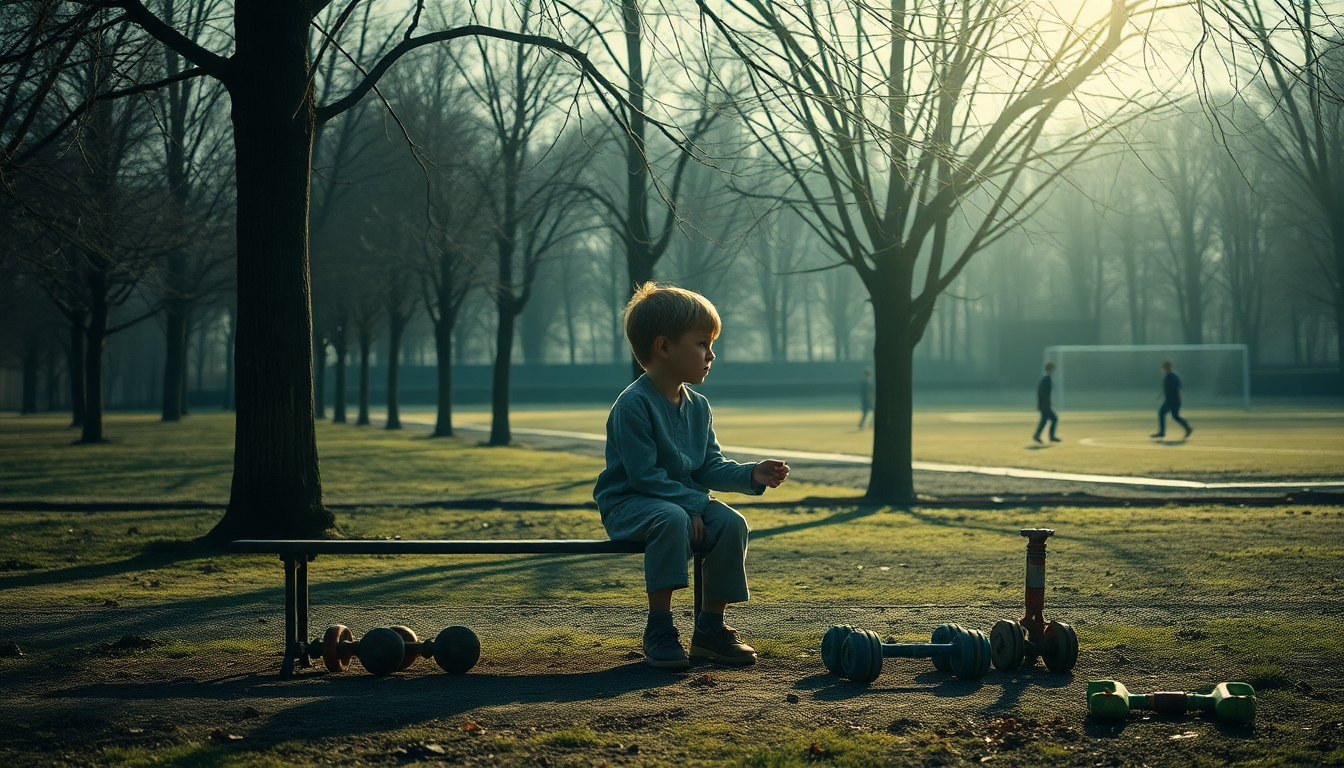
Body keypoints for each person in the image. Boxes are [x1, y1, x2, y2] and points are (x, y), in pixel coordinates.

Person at [594, 282, 790, 669]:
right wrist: (694, 505)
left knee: (732, 523)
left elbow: (708, 466)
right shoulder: (632, 405)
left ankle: (710, 630)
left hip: (683, 506)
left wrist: (752, 474)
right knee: (671, 517)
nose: (711, 354)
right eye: (702, 344)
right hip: (630, 505)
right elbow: (644, 476)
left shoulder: (698, 406)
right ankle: (659, 628)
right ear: (664, 347)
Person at [1151, 360, 1193, 440]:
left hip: (1173, 400)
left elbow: (1178, 388)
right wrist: (1160, 395)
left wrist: (1179, 399)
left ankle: (1162, 432)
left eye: (1163, 367)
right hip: (1169, 400)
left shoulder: (1173, 377)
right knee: (1172, 416)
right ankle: (1187, 428)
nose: (1162, 369)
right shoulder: (1167, 377)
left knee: (1167, 414)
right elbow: (1165, 388)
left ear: (1166, 368)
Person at [1033, 362, 1061, 444]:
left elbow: (1041, 392)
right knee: (1054, 418)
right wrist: (1044, 404)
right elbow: (1042, 392)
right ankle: (1051, 436)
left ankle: (1037, 435)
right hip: (1045, 405)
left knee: (1044, 420)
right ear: (1050, 369)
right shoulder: (1046, 380)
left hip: (1044, 404)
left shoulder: (1046, 379)